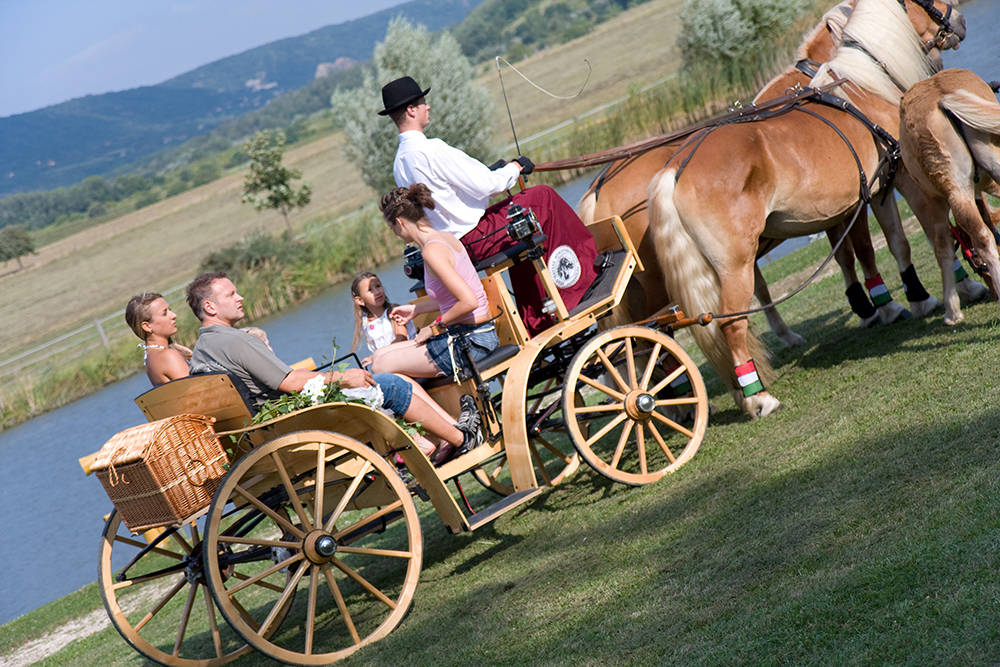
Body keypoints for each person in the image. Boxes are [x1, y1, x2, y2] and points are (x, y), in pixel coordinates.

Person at [379, 75, 599, 335]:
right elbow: (486, 185)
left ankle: (537, 312)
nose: (428, 106)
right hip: (474, 238)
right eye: (423, 102)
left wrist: (497, 173)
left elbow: (446, 196)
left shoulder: (399, 162)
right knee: (543, 197)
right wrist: (514, 168)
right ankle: (583, 279)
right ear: (411, 110)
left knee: (520, 219)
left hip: (452, 245)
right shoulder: (431, 149)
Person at [185, 271, 477, 464]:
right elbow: (289, 382)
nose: (240, 298)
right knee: (389, 383)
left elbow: (284, 379)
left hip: (255, 438)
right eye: (231, 295)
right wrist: (342, 378)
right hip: (292, 426)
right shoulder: (235, 340)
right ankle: (461, 438)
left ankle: (438, 438)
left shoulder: (202, 351)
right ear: (210, 307)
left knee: (383, 379)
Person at [370, 184, 500, 382]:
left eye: (392, 228)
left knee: (380, 366)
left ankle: (429, 402)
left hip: (472, 341)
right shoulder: (445, 237)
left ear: (400, 222)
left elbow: (469, 301)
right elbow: (453, 298)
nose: (395, 234)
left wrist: (433, 328)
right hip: (473, 334)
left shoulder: (432, 252)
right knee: (379, 355)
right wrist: (416, 309)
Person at [125, 292, 191, 386]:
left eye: (170, 310)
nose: (174, 315)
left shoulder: (150, 359)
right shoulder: (168, 356)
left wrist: (191, 357)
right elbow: (198, 390)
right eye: (164, 313)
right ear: (147, 326)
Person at [350, 271, 416, 362]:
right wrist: (373, 357)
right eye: (370, 290)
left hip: (409, 355)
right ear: (360, 300)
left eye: (378, 286)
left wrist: (378, 355)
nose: (377, 292)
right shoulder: (366, 323)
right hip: (389, 361)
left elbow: (401, 338)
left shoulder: (394, 311)